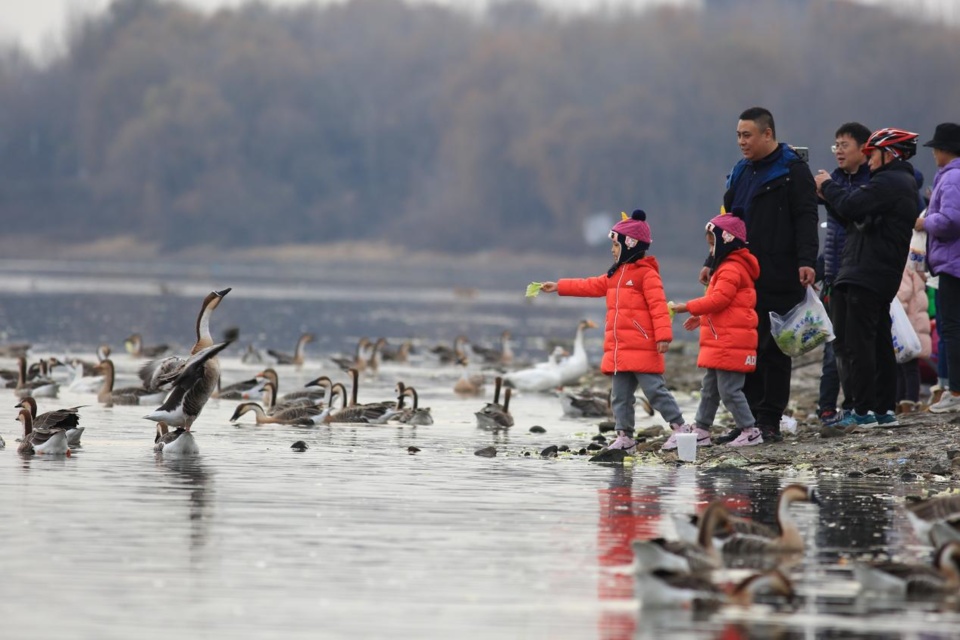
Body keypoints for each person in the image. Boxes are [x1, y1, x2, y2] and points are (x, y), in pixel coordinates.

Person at [703, 107, 819, 445]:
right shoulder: (741, 171)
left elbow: (806, 216)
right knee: (746, 346)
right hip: (742, 274)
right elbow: (726, 225)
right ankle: (747, 422)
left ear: (768, 134)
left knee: (774, 348)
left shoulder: (792, 170)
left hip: (781, 271)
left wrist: (806, 259)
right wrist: (712, 259)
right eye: (738, 135)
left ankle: (770, 420)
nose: (741, 141)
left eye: (747, 135)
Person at [539, 210, 688, 453]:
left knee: (655, 391)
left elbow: (659, 307)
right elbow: (589, 285)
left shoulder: (646, 275)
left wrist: (663, 337)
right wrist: (559, 286)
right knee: (619, 396)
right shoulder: (614, 275)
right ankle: (625, 436)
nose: (612, 250)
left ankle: (680, 428)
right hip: (620, 351)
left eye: (616, 245)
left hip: (642, 347)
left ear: (630, 245)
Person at [815, 128, 922, 427]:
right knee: (877, 342)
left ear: (890, 154)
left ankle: (861, 411)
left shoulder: (890, 182)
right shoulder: (898, 183)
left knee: (857, 345)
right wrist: (828, 196)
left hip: (867, 272)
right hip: (873, 271)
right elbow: (853, 218)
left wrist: (828, 185)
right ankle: (883, 410)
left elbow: (851, 205)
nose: (868, 160)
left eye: (871, 153)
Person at [671, 210, 761, 447]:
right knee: (710, 388)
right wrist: (701, 319)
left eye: (713, 245)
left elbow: (719, 301)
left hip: (732, 341)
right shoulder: (724, 268)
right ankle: (702, 429)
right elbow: (724, 310)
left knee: (730, 390)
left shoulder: (732, 268)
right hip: (721, 339)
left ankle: (750, 430)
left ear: (726, 242)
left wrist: (687, 307)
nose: (711, 251)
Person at [817, 122, 872, 425]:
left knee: (857, 343)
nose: (838, 150)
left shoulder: (871, 181)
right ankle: (828, 407)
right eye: (835, 145)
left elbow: (852, 214)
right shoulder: (834, 180)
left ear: (864, 149)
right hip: (833, 271)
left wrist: (829, 189)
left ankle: (858, 405)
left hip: (859, 271)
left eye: (844, 145)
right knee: (834, 342)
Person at [915, 123, 960, 413]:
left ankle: (955, 392)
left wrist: (924, 222)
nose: (933, 155)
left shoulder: (953, 177)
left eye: (936, 149)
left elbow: (950, 221)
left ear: (945, 150)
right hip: (953, 262)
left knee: (953, 329)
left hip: (953, 264)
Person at [894, 266, 932, 413]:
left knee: (905, 366)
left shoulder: (903, 267)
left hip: (907, 324)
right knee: (906, 366)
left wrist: (894, 314)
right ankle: (904, 400)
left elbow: (903, 293)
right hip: (915, 322)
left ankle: (907, 401)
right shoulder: (916, 267)